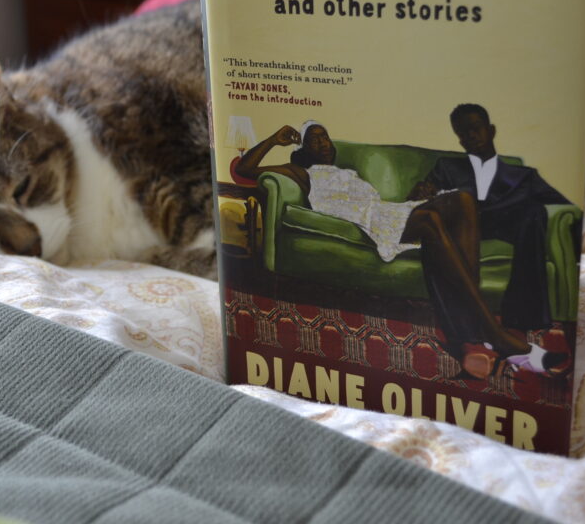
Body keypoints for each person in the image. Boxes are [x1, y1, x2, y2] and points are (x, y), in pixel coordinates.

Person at [236, 121, 560, 378]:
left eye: (326, 138)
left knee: (461, 199)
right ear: (304, 148)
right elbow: (246, 169)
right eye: (315, 138)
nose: (324, 143)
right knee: (432, 218)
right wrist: (274, 139)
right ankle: (495, 334)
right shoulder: (300, 173)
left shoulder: (349, 173)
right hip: (374, 222)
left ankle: (479, 333)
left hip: (387, 211)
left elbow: (376, 202)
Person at [409, 104, 571, 332]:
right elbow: (416, 205)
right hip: (462, 227)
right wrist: (419, 192)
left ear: (491, 130)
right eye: (463, 132)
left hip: (505, 223)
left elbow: (566, 207)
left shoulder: (523, 176)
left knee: (534, 213)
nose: (470, 136)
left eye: (475, 128)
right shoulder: (446, 167)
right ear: (459, 139)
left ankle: (520, 318)